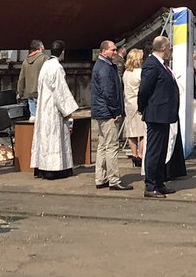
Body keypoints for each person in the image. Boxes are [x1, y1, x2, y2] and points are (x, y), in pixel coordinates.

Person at [138, 35, 182, 198]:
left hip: (164, 114)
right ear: (163, 48)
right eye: (169, 48)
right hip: (155, 114)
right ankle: (150, 186)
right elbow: (144, 89)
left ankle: (159, 182)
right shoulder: (152, 64)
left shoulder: (162, 65)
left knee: (162, 151)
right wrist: (142, 107)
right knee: (154, 151)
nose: (170, 51)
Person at [30, 41, 80, 179]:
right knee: (55, 138)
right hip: (53, 107)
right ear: (62, 51)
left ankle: (41, 168)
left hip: (43, 106)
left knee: (45, 138)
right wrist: (67, 110)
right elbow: (60, 90)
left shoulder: (45, 65)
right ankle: (55, 169)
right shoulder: (57, 67)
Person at [91, 41, 129, 191]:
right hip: (107, 112)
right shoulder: (105, 68)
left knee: (103, 145)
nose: (115, 52)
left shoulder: (103, 66)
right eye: (112, 50)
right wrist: (116, 112)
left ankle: (101, 177)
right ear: (103, 51)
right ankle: (114, 179)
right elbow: (109, 93)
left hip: (102, 111)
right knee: (112, 145)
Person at [121, 48, 146, 167]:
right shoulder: (141, 72)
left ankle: (134, 154)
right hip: (139, 102)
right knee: (143, 132)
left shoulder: (126, 73)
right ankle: (140, 155)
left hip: (128, 103)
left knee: (131, 131)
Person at [16, 41, 46, 117]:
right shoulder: (44, 59)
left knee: (33, 118)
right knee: (43, 119)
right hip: (42, 94)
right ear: (40, 47)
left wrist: (20, 93)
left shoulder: (25, 61)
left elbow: (21, 79)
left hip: (30, 95)